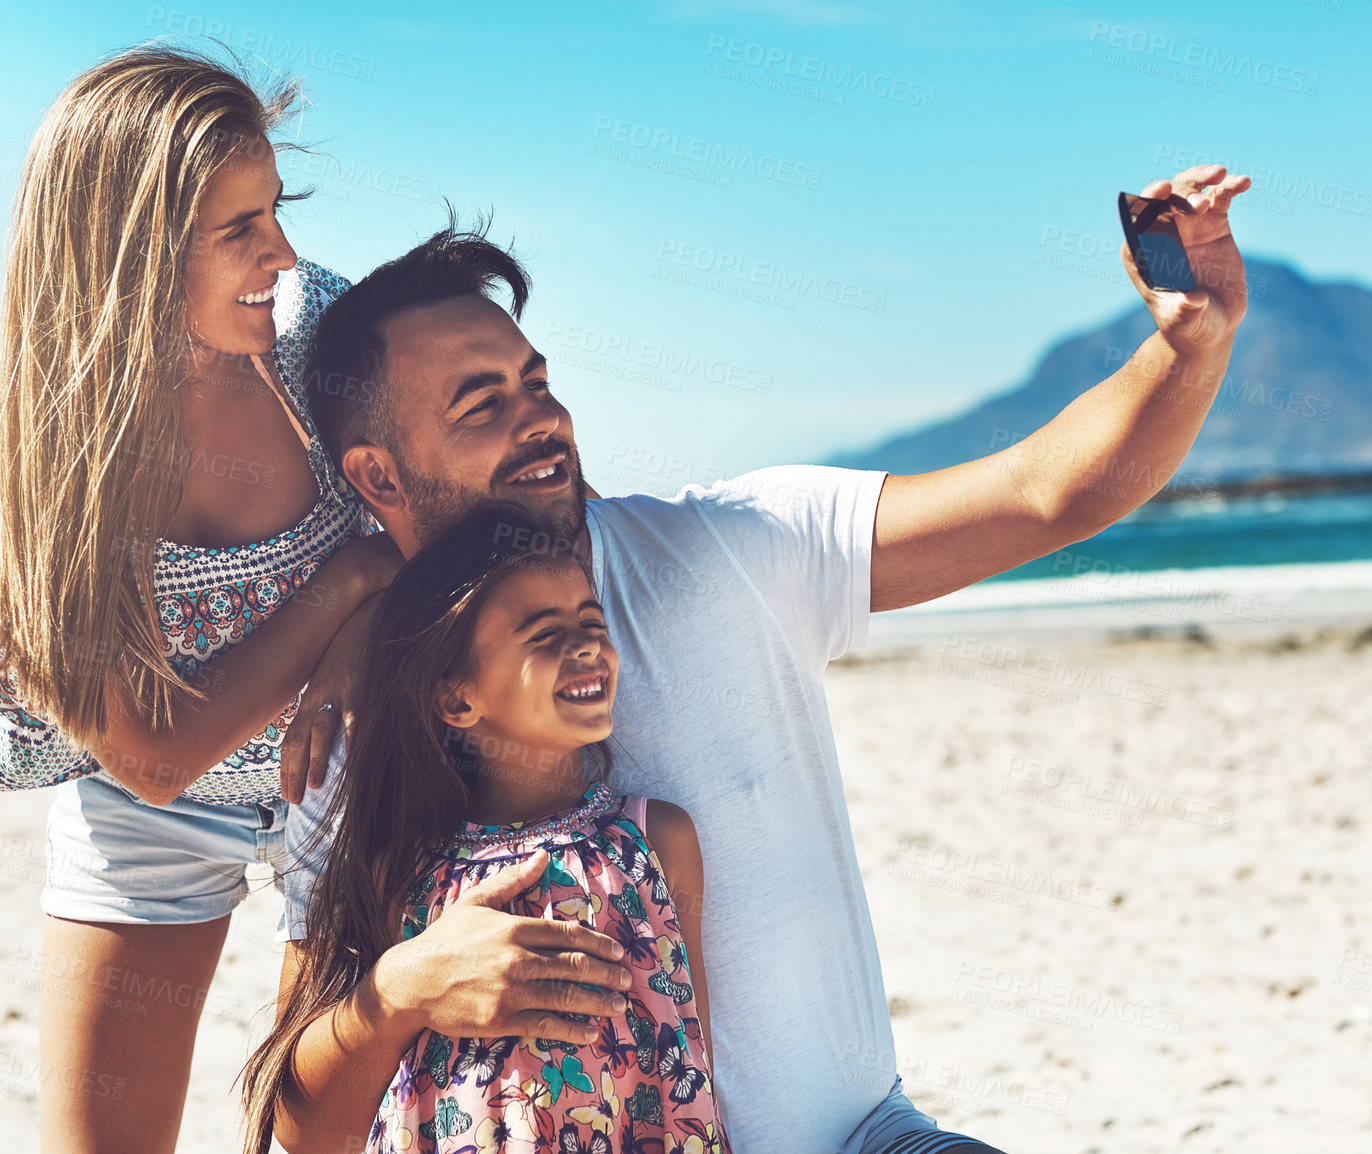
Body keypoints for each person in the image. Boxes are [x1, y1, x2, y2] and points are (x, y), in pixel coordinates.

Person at [270, 166, 1251, 1154]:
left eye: (537, 383)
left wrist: (1189, 346)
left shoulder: (730, 548)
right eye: (481, 404)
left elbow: (1047, 494)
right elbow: (291, 1120)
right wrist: (394, 994)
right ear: (377, 473)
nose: (539, 420)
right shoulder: (356, 725)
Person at [0, 47, 402, 1153]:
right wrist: (349, 579)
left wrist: (370, 620)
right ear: (124, 253)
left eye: (277, 210)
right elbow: (153, 757)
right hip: (147, 808)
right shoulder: (17, 458)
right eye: (239, 230)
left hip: (348, 772)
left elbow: (442, 527)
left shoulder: (317, 335)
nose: (283, 253)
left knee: (316, 1137)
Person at [241, 503, 729, 1154]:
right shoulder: (401, 869)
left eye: (592, 621)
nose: (586, 644)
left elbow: (690, 1061)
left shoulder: (655, 840)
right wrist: (401, 991)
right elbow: (308, 1126)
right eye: (542, 633)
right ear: (457, 698)